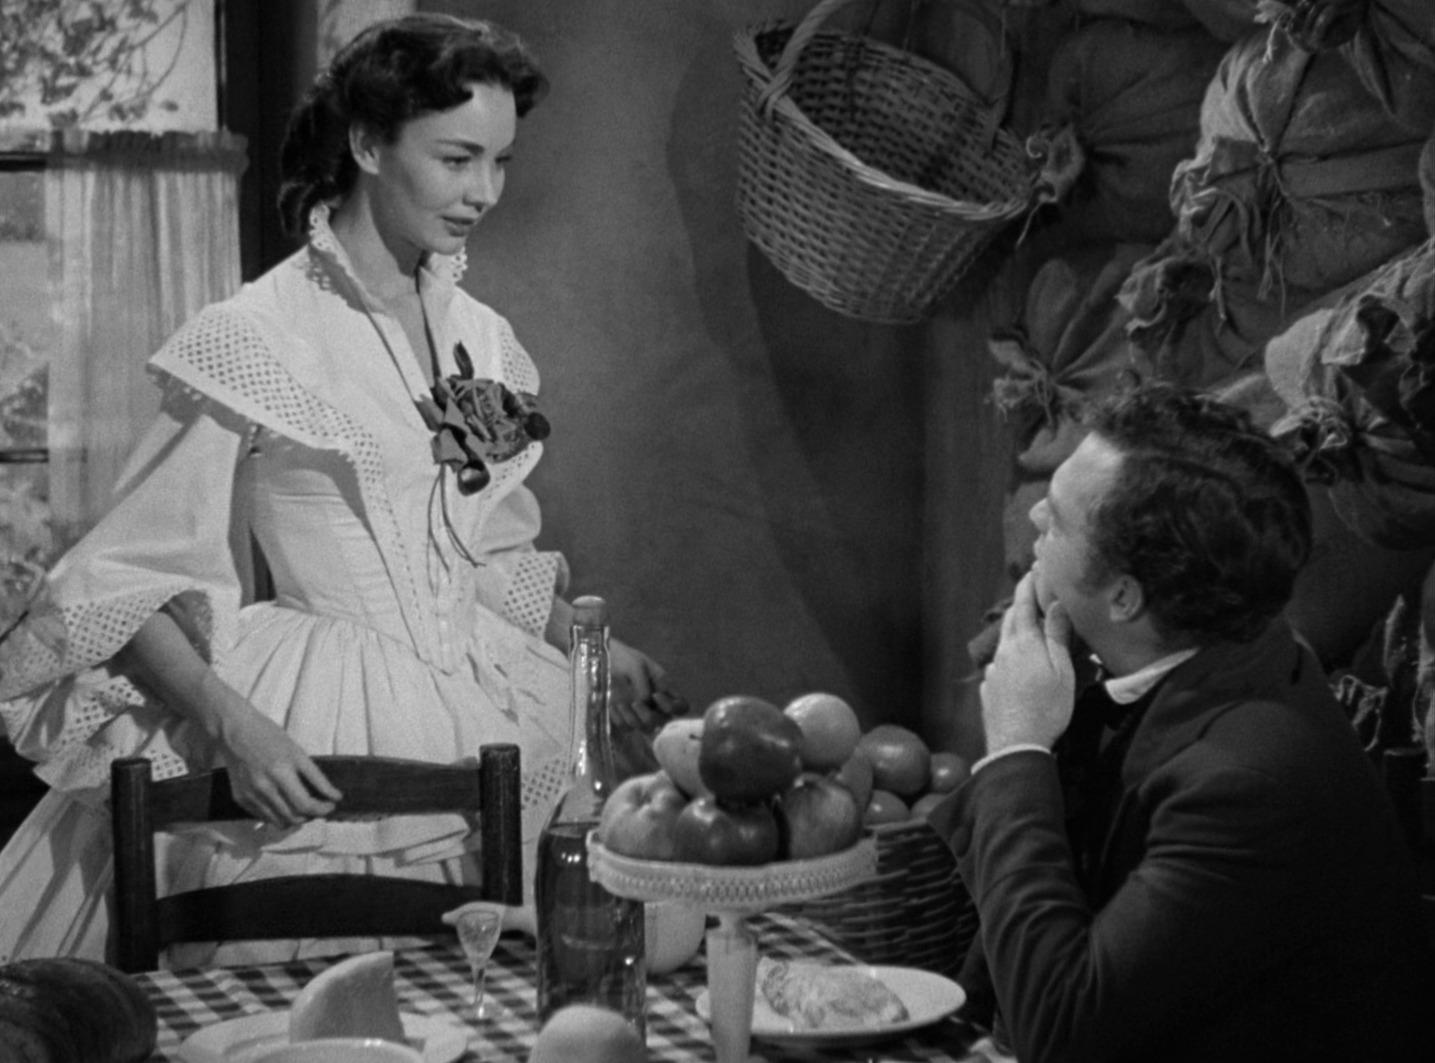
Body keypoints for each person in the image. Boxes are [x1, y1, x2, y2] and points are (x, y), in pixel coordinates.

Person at [0, 13, 678, 966]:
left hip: (489, 700)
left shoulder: (480, 336)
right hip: (313, 706)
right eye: (456, 159)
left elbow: (473, 554)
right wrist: (233, 726)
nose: (483, 192)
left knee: (544, 972)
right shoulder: (253, 334)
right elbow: (121, 583)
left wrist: (584, 640)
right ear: (366, 144)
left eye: (499, 162)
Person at [938, 382, 1430, 1062]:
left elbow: (1061, 1033)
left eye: (1057, 522)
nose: (1034, 517)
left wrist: (1019, 748)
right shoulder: (1213, 650)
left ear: (1123, 597)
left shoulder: (1247, 781)